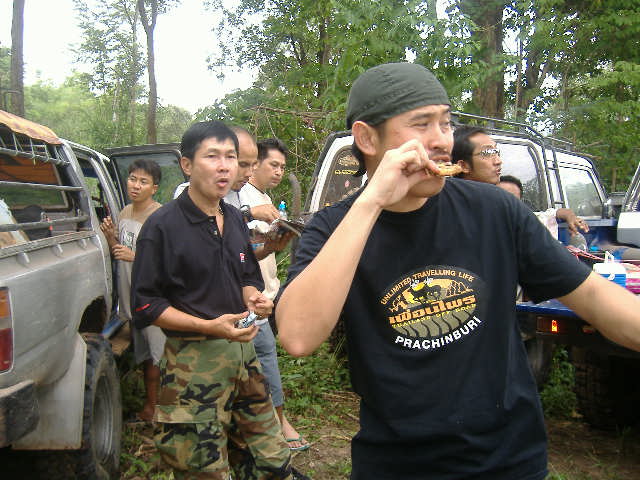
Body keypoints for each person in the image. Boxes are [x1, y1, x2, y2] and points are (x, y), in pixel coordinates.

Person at [275, 62, 640, 479]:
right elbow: (298, 337)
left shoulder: (494, 210)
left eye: (446, 124)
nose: (442, 141)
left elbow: (592, 295)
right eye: (422, 124)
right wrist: (371, 202)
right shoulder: (333, 228)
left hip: (509, 462)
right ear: (367, 138)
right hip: (397, 466)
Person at [130, 121, 295, 479]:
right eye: (212, 156)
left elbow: (246, 274)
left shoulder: (233, 218)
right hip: (193, 367)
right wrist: (208, 325)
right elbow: (145, 304)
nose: (224, 167)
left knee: (269, 459)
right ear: (187, 165)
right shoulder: (162, 227)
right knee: (203, 469)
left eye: (230, 157)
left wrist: (254, 298)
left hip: (244, 361)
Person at [239, 138, 308, 451]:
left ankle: (263, 426)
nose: (279, 172)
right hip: (248, 297)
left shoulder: (264, 198)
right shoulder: (242, 197)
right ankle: (279, 424)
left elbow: (253, 248)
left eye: (282, 167)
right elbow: (239, 248)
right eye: (273, 165)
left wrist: (272, 243)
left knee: (260, 362)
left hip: (265, 294)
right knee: (264, 359)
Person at [100, 158, 164, 423]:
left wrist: (135, 256)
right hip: (132, 300)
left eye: (143, 181)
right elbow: (121, 252)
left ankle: (164, 413)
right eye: (132, 179)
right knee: (147, 356)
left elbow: (168, 262)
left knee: (160, 357)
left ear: (154, 188)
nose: (136, 185)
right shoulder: (125, 211)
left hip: (154, 299)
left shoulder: (160, 217)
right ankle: (151, 408)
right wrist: (111, 237)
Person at [453, 125, 588, 238]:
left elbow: (541, 218)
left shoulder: (507, 213)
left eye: (496, 152)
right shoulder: (449, 212)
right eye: (487, 152)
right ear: (464, 165)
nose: (498, 161)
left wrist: (569, 216)